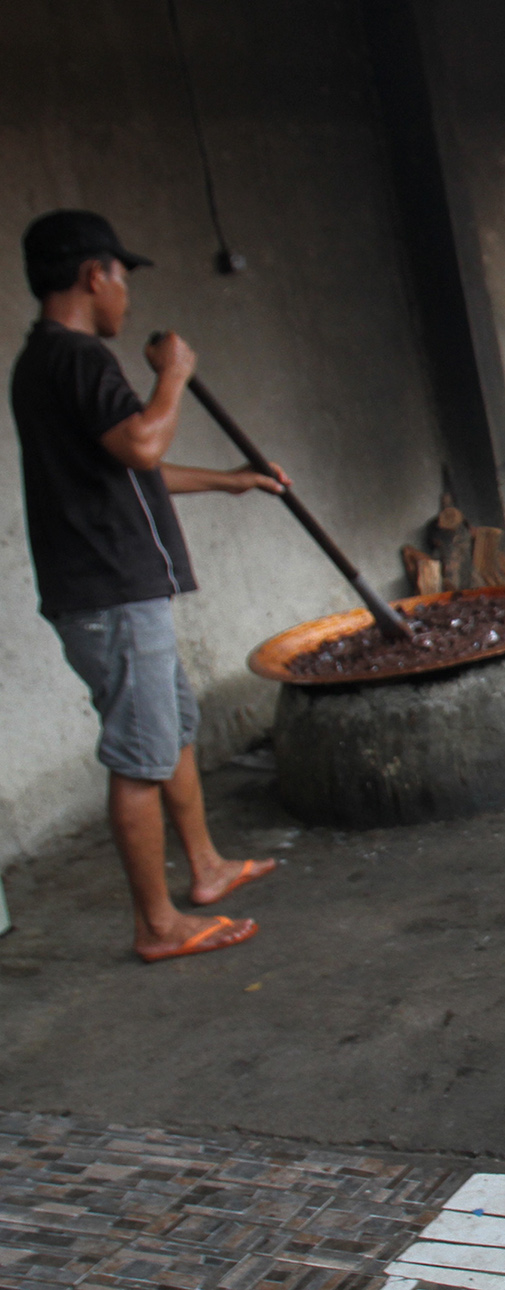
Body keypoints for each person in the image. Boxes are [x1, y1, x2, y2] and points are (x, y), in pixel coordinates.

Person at [11, 210, 284, 963]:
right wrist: (173, 373)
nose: (124, 297)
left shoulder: (47, 363)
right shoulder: (79, 360)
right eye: (121, 279)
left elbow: (138, 463)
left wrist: (230, 484)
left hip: (113, 586)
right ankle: (156, 925)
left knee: (174, 727)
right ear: (94, 275)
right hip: (109, 591)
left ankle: (206, 867)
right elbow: (141, 441)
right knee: (141, 753)